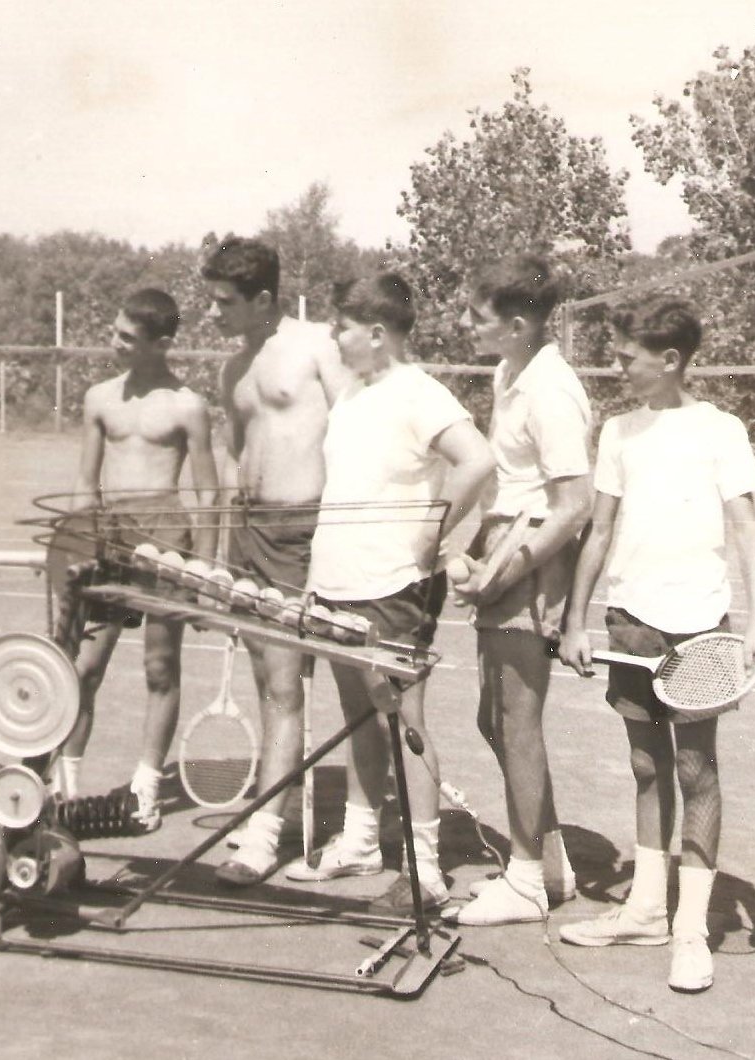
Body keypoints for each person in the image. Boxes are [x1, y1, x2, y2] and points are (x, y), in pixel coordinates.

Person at [557, 296, 755, 993]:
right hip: (632, 621)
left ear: (671, 360)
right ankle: (647, 909)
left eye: (627, 358)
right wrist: (574, 620)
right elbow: (597, 532)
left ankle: (690, 929)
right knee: (646, 768)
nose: (617, 368)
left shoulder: (721, 430)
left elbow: (747, 528)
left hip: (700, 622)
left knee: (696, 771)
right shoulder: (617, 433)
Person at [283, 272, 494, 913]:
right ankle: (360, 843)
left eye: (343, 327)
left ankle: (426, 870)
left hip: (394, 585)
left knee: (404, 720)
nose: (335, 338)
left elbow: (478, 460)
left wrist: (433, 537)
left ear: (376, 334)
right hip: (339, 580)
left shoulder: (420, 394)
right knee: (357, 716)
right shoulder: (353, 395)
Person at [444, 255, 592, 926]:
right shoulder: (512, 373)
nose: (464, 324)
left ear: (518, 324)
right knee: (493, 718)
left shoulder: (551, 389)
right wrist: (480, 553)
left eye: (477, 317)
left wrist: (506, 571)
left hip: (535, 560)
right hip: (506, 543)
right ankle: (551, 863)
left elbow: (572, 506)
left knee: (516, 721)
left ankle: (527, 878)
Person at [200, 235, 348, 885]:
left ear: (263, 299)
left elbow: (355, 430)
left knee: (288, 685)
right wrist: (223, 555)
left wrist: (335, 537)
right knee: (268, 682)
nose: (212, 313)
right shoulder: (231, 370)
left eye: (224, 302)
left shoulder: (317, 345)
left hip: (305, 531)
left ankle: (265, 834)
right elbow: (234, 460)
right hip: (251, 534)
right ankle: (277, 809)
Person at [53, 288, 218, 829]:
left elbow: (209, 493)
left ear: (162, 344)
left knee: (159, 668)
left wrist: (206, 570)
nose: (114, 343)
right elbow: (83, 481)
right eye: (115, 331)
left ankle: (146, 788)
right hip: (109, 538)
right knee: (83, 667)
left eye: (127, 337)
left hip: (167, 537)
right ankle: (65, 787)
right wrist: (79, 544)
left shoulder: (188, 405)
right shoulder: (99, 398)